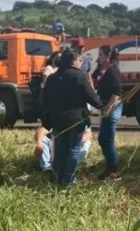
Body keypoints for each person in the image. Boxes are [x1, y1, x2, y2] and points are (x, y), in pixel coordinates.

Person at [40, 47, 103, 186]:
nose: (80, 63)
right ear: (74, 60)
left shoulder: (52, 78)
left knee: (60, 150)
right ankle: (68, 181)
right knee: (73, 149)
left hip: (57, 120)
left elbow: (44, 99)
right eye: (80, 60)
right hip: (76, 120)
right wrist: (103, 106)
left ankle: (58, 179)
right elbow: (92, 97)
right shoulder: (79, 76)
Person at [93, 44, 123, 181]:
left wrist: (108, 108)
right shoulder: (101, 70)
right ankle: (110, 166)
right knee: (102, 139)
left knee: (108, 139)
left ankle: (115, 172)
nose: (98, 58)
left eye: (100, 55)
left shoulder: (113, 71)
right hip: (105, 106)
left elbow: (116, 93)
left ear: (107, 56)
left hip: (112, 106)